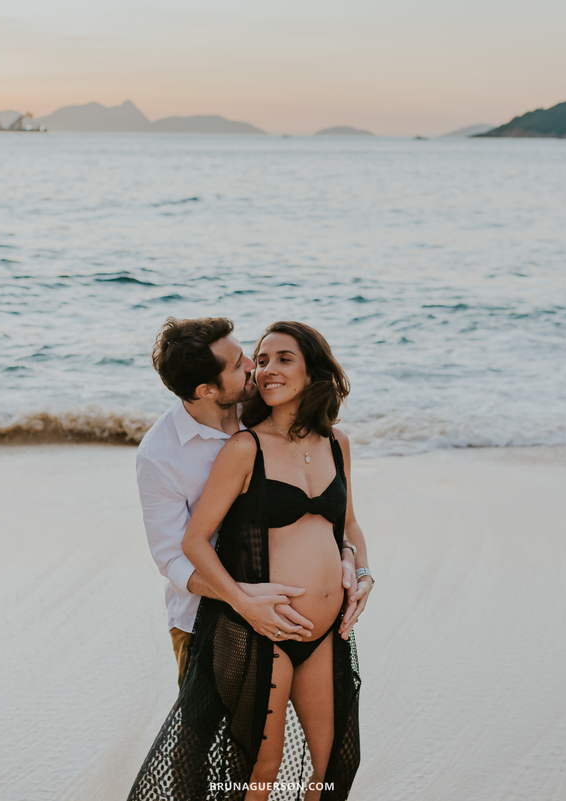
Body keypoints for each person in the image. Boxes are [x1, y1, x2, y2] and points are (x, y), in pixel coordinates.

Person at [129, 321, 374, 801]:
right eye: (246, 363)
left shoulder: (269, 410)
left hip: (319, 631)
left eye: (253, 357)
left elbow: (340, 523)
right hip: (210, 619)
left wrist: (357, 567)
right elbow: (175, 557)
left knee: (334, 761)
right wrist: (243, 601)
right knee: (208, 758)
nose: (253, 370)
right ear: (205, 389)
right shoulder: (161, 455)